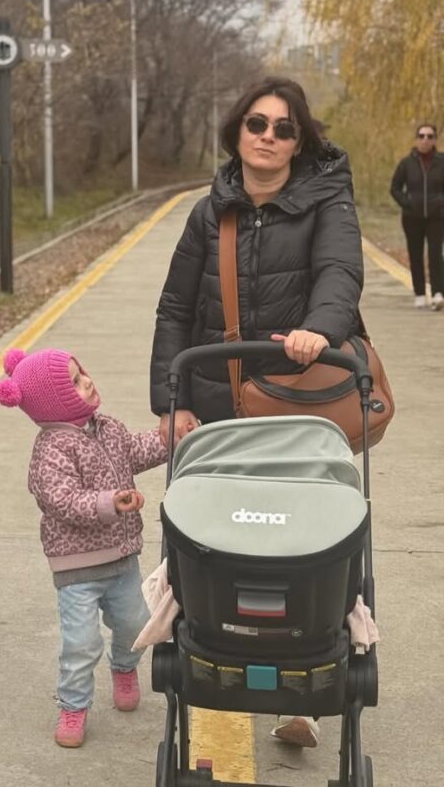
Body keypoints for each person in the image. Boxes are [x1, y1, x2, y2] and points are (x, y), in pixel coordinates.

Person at [149, 75, 364, 748]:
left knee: (301, 541)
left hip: (296, 405)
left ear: (300, 142)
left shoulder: (328, 203)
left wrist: (319, 330)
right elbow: (175, 309)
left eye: (284, 128)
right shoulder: (208, 212)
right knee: (217, 543)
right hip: (216, 404)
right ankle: (211, 663)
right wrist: (172, 403)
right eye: (257, 123)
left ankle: (304, 689)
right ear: (237, 130)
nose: (268, 136)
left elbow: (339, 275)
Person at [0, 347, 166, 749]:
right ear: (53, 402)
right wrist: (111, 503)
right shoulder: (50, 450)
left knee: (135, 623)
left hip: (122, 557)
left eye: (82, 372)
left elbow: (134, 451)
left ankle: (123, 666)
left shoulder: (108, 428)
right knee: (81, 643)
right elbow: (62, 500)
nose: (87, 380)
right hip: (77, 568)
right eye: (74, 381)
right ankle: (73, 705)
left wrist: (168, 440)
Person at [389, 123, 444, 310]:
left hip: (437, 217)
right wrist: (408, 203)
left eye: (429, 136)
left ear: (435, 140)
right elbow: (395, 188)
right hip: (412, 218)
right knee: (415, 255)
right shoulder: (407, 163)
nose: (425, 140)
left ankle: (438, 293)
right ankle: (419, 293)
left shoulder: (441, 162)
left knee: (436, 254)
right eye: (421, 136)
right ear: (416, 139)